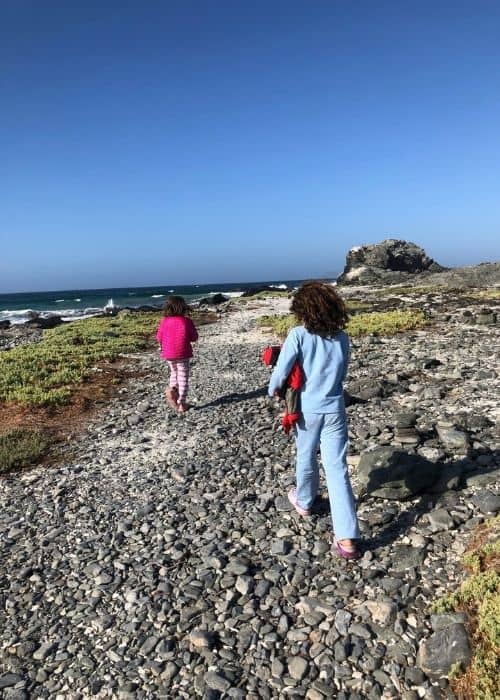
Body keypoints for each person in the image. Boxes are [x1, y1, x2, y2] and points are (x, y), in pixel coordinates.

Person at [267, 281, 361, 559]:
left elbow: (282, 370)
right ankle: (347, 538)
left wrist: (272, 389)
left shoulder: (298, 335)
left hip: (306, 409)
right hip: (334, 408)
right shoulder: (341, 337)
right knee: (337, 469)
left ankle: (306, 501)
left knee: (305, 456)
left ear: (303, 310)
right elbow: (342, 371)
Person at [156, 296, 198, 413]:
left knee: (174, 374)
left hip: (168, 353)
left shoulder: (164, 321)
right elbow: (194, 338)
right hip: (183, 353)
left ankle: (172, 390)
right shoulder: (186, 321)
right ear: (183, 307)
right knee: (183, 377)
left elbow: (159, 337)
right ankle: (182, 404)